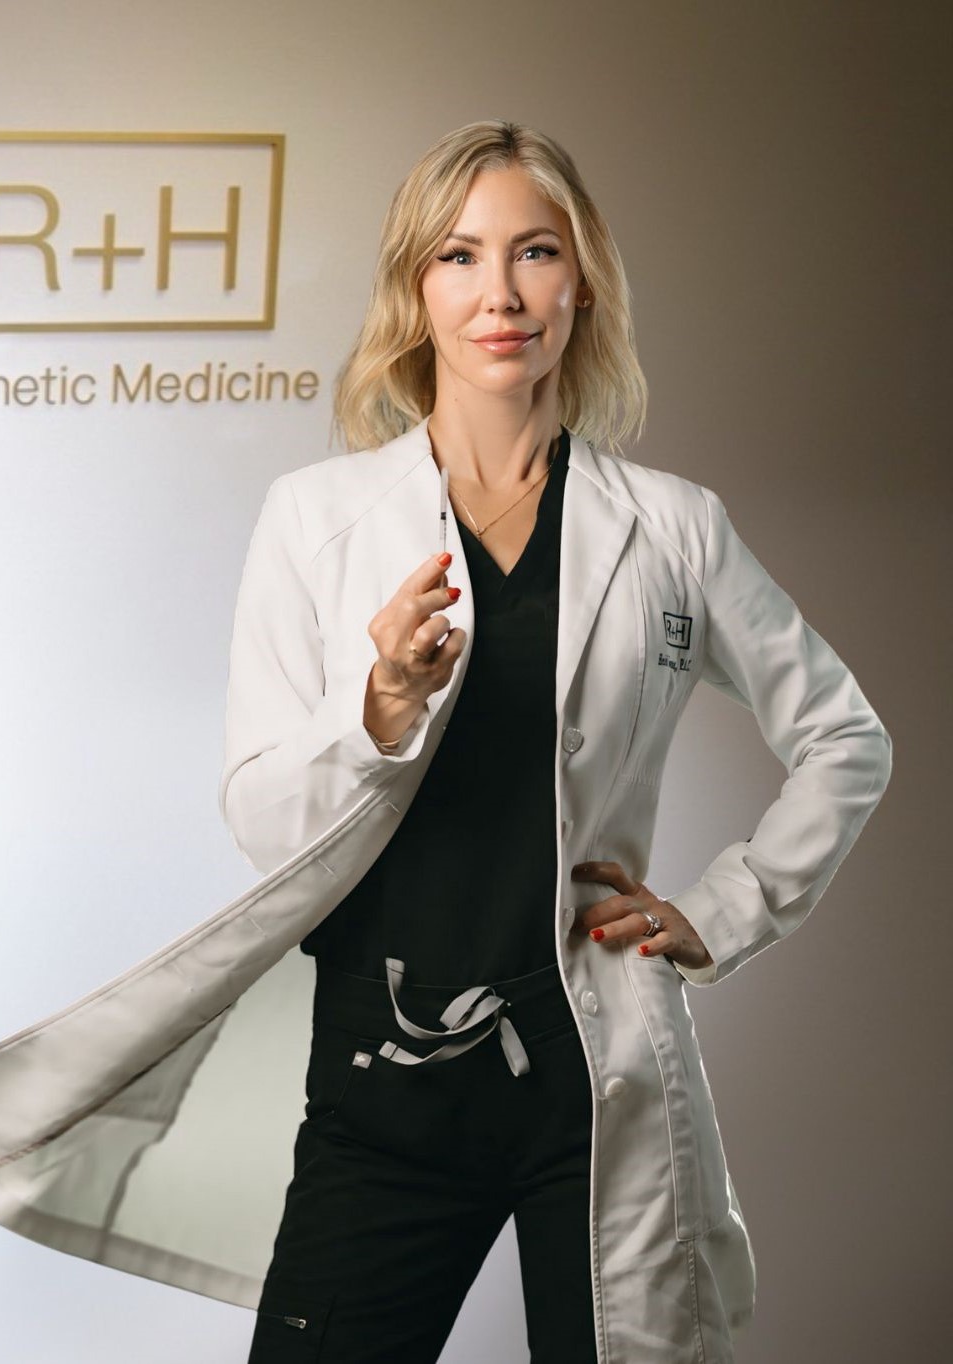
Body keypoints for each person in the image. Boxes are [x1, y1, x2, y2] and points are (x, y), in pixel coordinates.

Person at [234, 120, 891, 1361]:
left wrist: (729, 905)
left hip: (596, 1082)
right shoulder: (316, 520)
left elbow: (847, 736)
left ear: (581, 281)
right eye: (459, 255)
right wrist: (379, 707)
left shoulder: (674, 527)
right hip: (384, 1084)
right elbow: (266, 825)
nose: (500, 293)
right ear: (415, 288)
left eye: (534, 252)